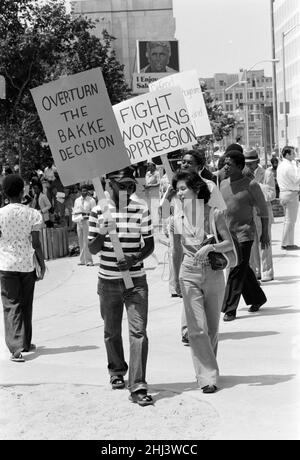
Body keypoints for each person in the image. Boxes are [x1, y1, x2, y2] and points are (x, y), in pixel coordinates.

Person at [88, 167, 154, 406]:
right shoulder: (98, 211)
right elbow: (92, 249)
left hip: (135, 281)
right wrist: (103, 233)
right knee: (111, 330)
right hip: (108, 281)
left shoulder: (141, 209)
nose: (126, 189)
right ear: (110, 185)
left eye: (129, 184)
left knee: (138, 333)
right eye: (121, 185)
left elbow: (149, 244)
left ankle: (138, 385)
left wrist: (134, 258)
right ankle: (117, 371)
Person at [172, 171, 233, 393]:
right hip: (188, 272)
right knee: (197, 329)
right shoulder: (176, 219)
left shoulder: (214, 214)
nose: (178, 194)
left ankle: (208, 370)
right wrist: (175, 281)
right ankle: (207, 376)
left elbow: (228, 244)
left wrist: (211, 246)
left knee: (212, 328)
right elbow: (176, 251)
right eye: (177, 190)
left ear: (196, 189)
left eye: (182, 189)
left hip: (213, 273)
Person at [0, 174, 45, 362]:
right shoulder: (33, 214)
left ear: (4, 193)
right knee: (26, 303)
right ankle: (25, 342)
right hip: (26, 264)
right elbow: (36, 243)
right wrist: (41, 263)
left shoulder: (0, 214)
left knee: (12, 305)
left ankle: (16, 348)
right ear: (22, 191)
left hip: (6, 264)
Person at [220, 150, 269, 321]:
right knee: (244, 268)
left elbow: (263, 211)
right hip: (228, 234)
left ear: (240, 167)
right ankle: (258, 298)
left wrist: (266, 234)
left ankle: (229, 308)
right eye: (225, 163)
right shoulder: (223, 183)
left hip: (245, 232)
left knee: (237, 267)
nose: (225, 167)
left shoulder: (252, 185)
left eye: (229, 164)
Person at [244, 149, 276, 282]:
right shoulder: (243, 174)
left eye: (251, 163)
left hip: (263, 213)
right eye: (247, 163)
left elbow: (271, 194)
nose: (249, 166)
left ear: (257, 161)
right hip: (249, 213)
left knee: (265, 242)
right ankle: (255, 271)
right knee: (252, 244)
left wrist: (255, 186)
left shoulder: (266, 174)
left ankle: (267, 272)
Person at [276, 145, 300, 250]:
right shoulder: (288, 166)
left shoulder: (282, 165)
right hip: (290, 193)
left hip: (285, 193)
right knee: (290, 220)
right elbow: (295, 180)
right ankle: (286, 243)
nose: (294, 155)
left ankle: (288, 242)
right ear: (287, 154)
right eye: (293, 153)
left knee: (288, 220)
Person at [72, 185, 96, 266]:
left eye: (85, 190)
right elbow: (75, 211)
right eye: (82, 191)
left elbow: (94, 212)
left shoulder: (91, 200)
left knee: (86, 241)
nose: (84, 192)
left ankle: (89, 260)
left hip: (87, 222)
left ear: (88, 191)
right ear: (80, 191)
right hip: (79, 221)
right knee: (80, 241)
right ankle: (82, 260)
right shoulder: (77, 200)